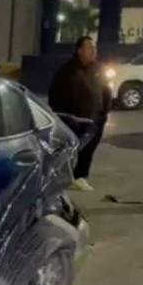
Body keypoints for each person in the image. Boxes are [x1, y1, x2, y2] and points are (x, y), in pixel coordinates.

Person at [48, 36, 112, 191]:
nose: (93, 51)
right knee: (73, 150)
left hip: (96, 119)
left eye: (95, 48)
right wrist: (68, 117)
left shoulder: (98, 69)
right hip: (76, 121)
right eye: (89, 48)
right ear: (79, 51)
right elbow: (54, 96)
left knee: (89, 149)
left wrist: (105, 112)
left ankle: (81, 176)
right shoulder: (67, 72)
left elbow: (106, 91)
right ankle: (69, 177)